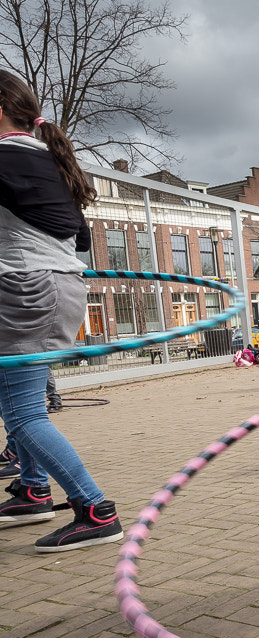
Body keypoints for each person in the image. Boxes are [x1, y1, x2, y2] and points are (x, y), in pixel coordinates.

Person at [0, 69, 123, 550]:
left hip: (30, 290)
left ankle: (94, 510)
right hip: (46, 286)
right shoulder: (41, 157)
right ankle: (32, 490)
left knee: (25, 412)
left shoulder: (8, 156)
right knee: (13, 399)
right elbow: (82, 237)